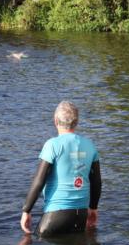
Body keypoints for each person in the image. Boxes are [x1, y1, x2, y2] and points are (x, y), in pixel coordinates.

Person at [20, 101, 102, 237]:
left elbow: (39, 181)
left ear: (55, 121)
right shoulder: (90, 145)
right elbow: (96, 182)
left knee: (32, 244)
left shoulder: (52, 145)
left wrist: (26, 211)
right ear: (76, 122)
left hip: (55, 214)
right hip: (80, 215)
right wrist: (93, 209)